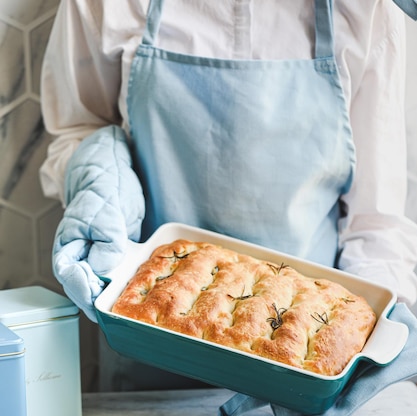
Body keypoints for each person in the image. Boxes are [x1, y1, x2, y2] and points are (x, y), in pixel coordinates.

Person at [40, 0, 417, 392]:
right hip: (144, 353)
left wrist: (367, 358)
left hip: (308, 372)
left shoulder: (363, 9)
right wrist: (99, 180)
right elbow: (77, 126)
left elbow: (376, 221)